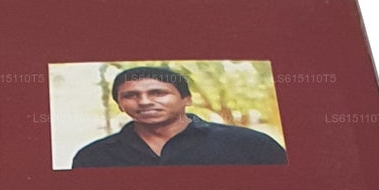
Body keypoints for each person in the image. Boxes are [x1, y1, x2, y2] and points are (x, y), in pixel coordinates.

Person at [70, 66, 287, 168]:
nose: (144, 102)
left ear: (187, 99)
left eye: (157, 93)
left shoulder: (250, 145)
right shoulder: (94, 157)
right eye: (131, 95)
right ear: (120, 104)